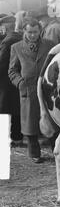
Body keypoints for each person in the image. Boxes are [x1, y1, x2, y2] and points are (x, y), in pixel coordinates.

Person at [8, 18, 56, 163]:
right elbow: (12, 70)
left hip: (47, 89)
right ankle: (35, 153)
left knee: (52, 120)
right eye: (29, 32)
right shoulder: (16, 47)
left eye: (35, 32)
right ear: (24, 31)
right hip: (28, 90)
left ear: (40, 31)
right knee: (30, 124)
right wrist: (20, 83)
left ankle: (57, 151)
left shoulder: (50, 45)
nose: (32, 35)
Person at [0, 14, 23, 145]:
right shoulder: (19, 38)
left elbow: (2, 62)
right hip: (16, 78)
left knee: (4, 109)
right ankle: (17, 136)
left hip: (5, 80)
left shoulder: (8, 41)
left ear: (6, 26)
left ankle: (5, 138)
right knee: (16, 109)